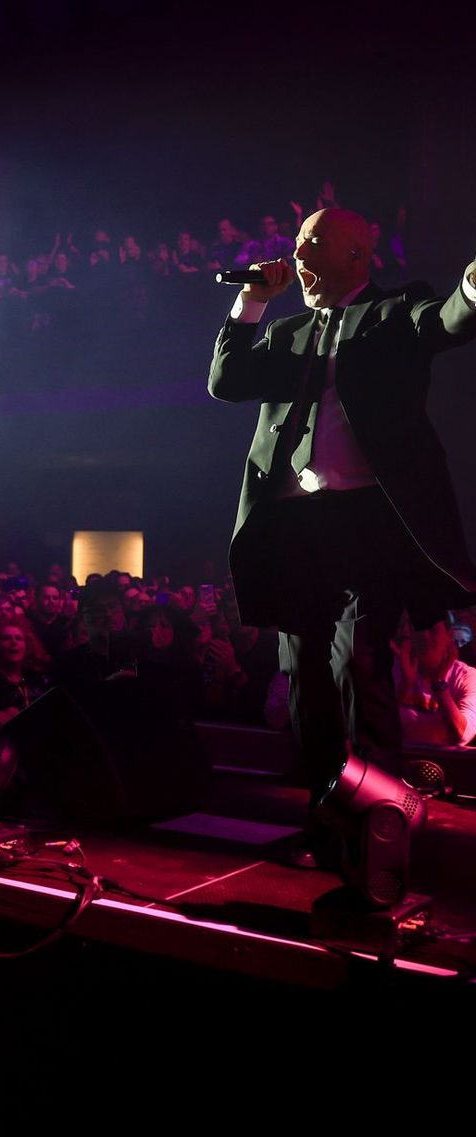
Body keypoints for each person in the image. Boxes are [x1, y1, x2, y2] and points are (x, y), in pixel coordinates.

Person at [208, 207, 476, 796]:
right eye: (298, 243)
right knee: (301, 662)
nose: (297, 255)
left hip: (367, 518)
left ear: (356, 253)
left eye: (314, 243)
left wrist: (474, 285)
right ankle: (321, 788)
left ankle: (377, 796)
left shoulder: (395, 310)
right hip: (293, 521)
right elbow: (226, 383)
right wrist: (251, 302)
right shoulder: (286, 332)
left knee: (358, 658)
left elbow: (448, 320)